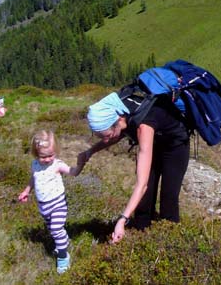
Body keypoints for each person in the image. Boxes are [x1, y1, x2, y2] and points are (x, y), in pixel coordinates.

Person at [78, 91, 190, 244]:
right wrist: (90, 151)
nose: (106, 140)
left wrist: (122, 219)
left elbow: (141, 184)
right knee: (145, 199)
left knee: (168, 198)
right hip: (154, 142)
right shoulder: (121, 113)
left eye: (107, 135)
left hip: (175, 147)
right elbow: (116, 135)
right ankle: (141, 238)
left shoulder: (143, 125)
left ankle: (171, 242)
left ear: (116, 121)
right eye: (101, 137)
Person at [18, 130, 83, 274]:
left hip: (58, 204)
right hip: (43, 206)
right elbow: (34, 178)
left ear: (56, 152)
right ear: (36, 154)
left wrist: (79, 165)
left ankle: (63, 257)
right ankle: (63, 242)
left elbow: (72, 172)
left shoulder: (57, 165)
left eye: (50, 155)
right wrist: (26, 191)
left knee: (56, 230)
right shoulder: (35, 164)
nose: (47, 159)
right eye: (43, 156)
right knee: (54, 231)